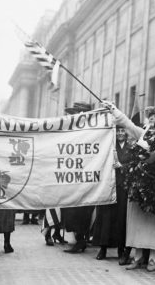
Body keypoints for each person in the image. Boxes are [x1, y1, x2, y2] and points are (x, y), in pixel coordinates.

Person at [103, 103, 155, 272]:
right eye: (152, 116)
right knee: (137, 219)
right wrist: (114, 109)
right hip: (139, 182)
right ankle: (138, 256)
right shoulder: (143, 134)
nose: (153, 119)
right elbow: (128, 124)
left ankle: (152, 258)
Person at [92, 125, 131, 265]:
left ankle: (121, 250)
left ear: (126, 133)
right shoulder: (109, 146)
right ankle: (103, 249)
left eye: (122, 131)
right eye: (118, 131)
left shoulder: (131, 148)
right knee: (106, 217)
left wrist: (123, 167)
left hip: (123, 187)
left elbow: (134, 165)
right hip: (108, 185)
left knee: (121, 218)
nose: (120, 133)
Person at [62, 102, 95, 253]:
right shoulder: (72, 130)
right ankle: (78, 238)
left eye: (81, 112)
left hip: (87, 177)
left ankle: (81, 240)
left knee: (83, 212)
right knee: (71, 211)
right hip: (72, 176)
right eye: (76, 112)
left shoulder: (94, 130)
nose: (78, 115)